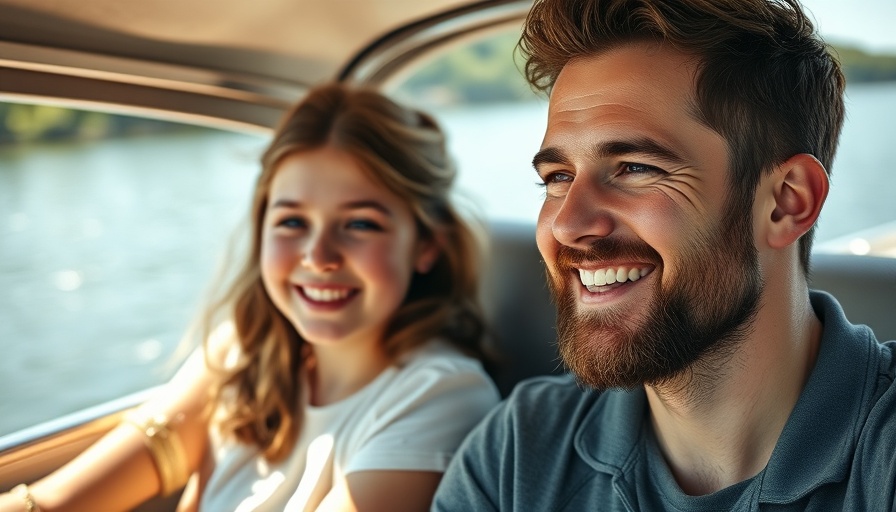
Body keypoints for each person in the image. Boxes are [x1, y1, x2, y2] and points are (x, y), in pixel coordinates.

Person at [433, 0, 896, 510]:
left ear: (787, 201)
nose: (567, 224)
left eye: (635, 167)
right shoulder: (518, 453)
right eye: (558, 178)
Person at [0, 83, 500, 512]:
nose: (318, 256)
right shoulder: (242, 350)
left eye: (360, 224)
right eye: (292, 222)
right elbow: (54, 502)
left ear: (427, 245)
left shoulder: (443, 396)